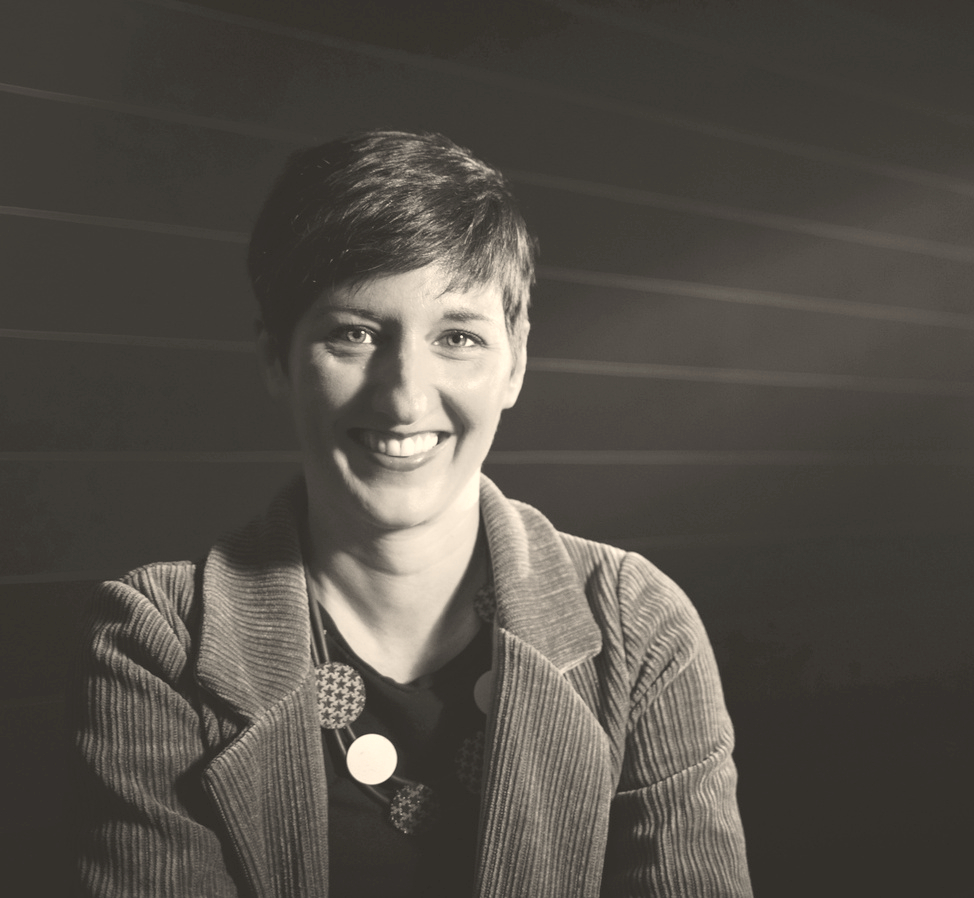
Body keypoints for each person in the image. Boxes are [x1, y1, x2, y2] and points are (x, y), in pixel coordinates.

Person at [70, 131, 752, 897]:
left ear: (516, 361)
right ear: (275, 358)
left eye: (457, 337)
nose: (404, 398)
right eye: (355, 334)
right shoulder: (157, 640)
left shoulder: (640, 627)